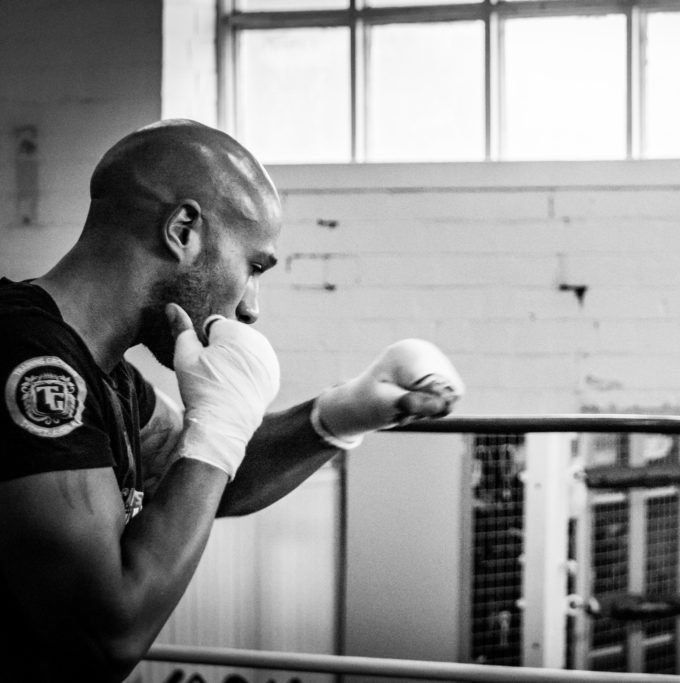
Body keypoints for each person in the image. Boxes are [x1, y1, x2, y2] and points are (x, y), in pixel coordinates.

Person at [0, 119, 464, 682]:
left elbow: (198, 476)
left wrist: (342, 413)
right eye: (253, 266)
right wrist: (218, 427)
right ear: (183, 230)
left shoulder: (106, 374)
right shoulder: (29, 361)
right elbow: (105, 637)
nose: (251, 308)